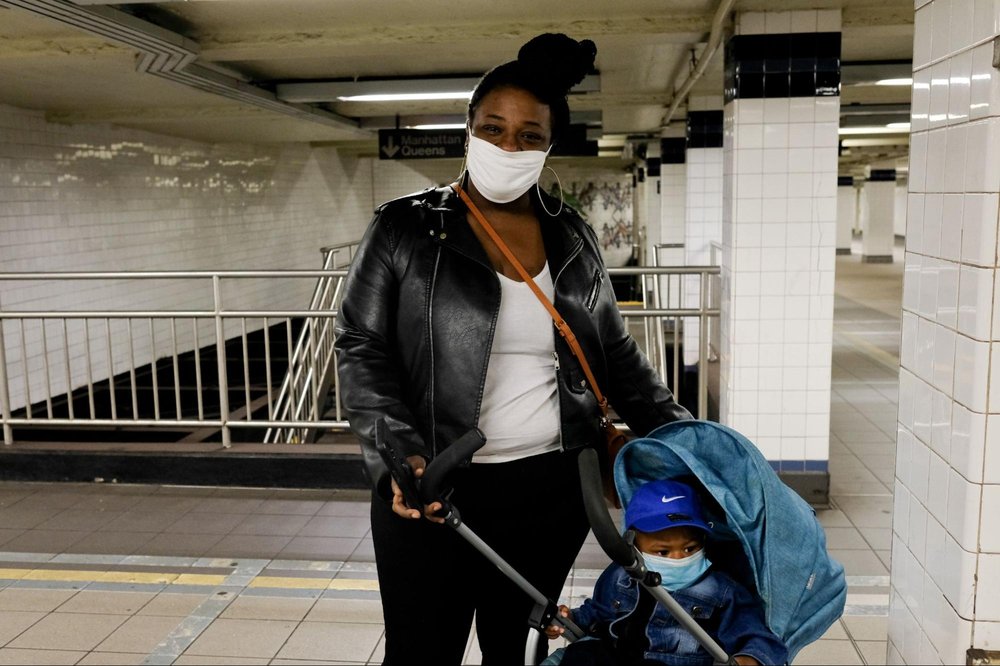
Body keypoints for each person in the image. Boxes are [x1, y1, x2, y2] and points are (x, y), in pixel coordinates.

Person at [334, 32, 691, 665]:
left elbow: (614, 352)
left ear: (549, 147)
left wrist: (689, 438)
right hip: (432, 490)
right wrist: (399, 452)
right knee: (421, 652)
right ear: (467, 132)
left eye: (528, 136)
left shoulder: (572, 236)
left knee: (516, 652)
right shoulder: (404, 228)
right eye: (493, 128)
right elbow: (361, 344)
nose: (508, 145)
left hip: (548, 492)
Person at [544, 479, 788, 666]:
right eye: (663, 552)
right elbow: (598, 613)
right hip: (618, 653)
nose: (679, 558)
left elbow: (757, 636)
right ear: (634, 546)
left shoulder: (721, 590)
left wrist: (750, 658)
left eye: (690, 548)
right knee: (582, 654)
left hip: (672, 661)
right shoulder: (619, 576)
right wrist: (571, 619)